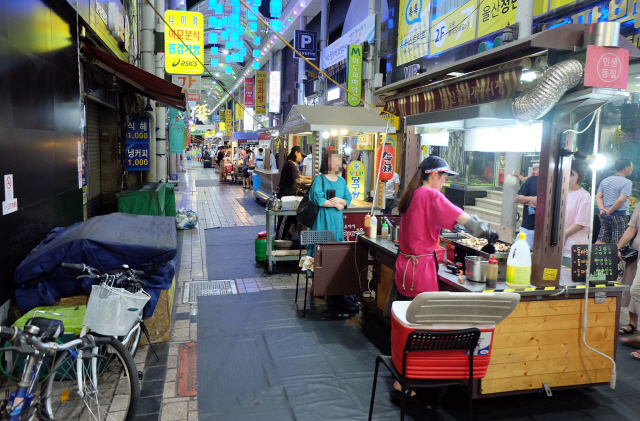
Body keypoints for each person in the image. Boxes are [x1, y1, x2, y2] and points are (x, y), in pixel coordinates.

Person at [391, 156, 497, 397]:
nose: (445, 183)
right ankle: (409, 382)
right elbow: (461, 217)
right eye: (444, 178)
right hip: (421, 272)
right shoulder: (430, 195)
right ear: (433, 174)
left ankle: (401, 374)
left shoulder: (413, 193)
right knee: (420, 329)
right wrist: (487, 231)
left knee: (403, 324)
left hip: (405, 267)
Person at [307, 151, 352, 256]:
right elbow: (318, 199)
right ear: (327, 163)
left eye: (338, 161)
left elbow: (348, 198)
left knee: (336, 244)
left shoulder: (342, 181)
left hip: (337, 220)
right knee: (320, 246)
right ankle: (319, 271)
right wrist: (337, 205)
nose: (337, 163)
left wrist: (341, 202)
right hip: (322, 218)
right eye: (334, 161)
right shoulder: (319, 179)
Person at [275, 146, 312, 239]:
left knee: (289, 219)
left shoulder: (290, 164)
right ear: (296, 153)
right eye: (301, 155)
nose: (302, 157)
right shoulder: (290, 165)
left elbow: (300, 177)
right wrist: (313, 181)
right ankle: (278, 241)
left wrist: (313, 178)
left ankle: (282, 238)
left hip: (288, 196)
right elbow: (298, 180)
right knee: (285, 219)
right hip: (287, 197)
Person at [596, 158, 633, 245]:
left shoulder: (605, 180)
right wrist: (610, 211)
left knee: (602, 239)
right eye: (631, 167)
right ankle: (617, 258)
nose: (632, 169)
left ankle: (593, 257)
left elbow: (598, 196)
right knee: (619, 243)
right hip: (619, 215)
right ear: (626, 168)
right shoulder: (627, 182)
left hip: (604, 215)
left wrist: (602, 210)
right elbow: (621, 200)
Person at [617, 207, 640, 345]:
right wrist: (618, 247)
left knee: (636, 290)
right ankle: (633, 323)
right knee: (633, 287)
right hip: (636, 253)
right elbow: (632, 228)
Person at [562, 160, 591, 264]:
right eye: (564, 173)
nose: (567, 178)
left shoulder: (584, 196)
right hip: (555, 246)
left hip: (573, 249)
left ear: (579, 176)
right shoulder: (558, 192)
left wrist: (558, 237)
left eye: (571, 175)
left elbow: (579, 224)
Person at [515, 165, 539, 249]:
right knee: (518, 253)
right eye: (534, 168)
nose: (536, 170)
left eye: (538, 168)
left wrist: (538, 203)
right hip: (527, 228)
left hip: (546, 231)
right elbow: (518, 199)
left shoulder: (554, 182)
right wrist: (532, 199)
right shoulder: (531, 179)